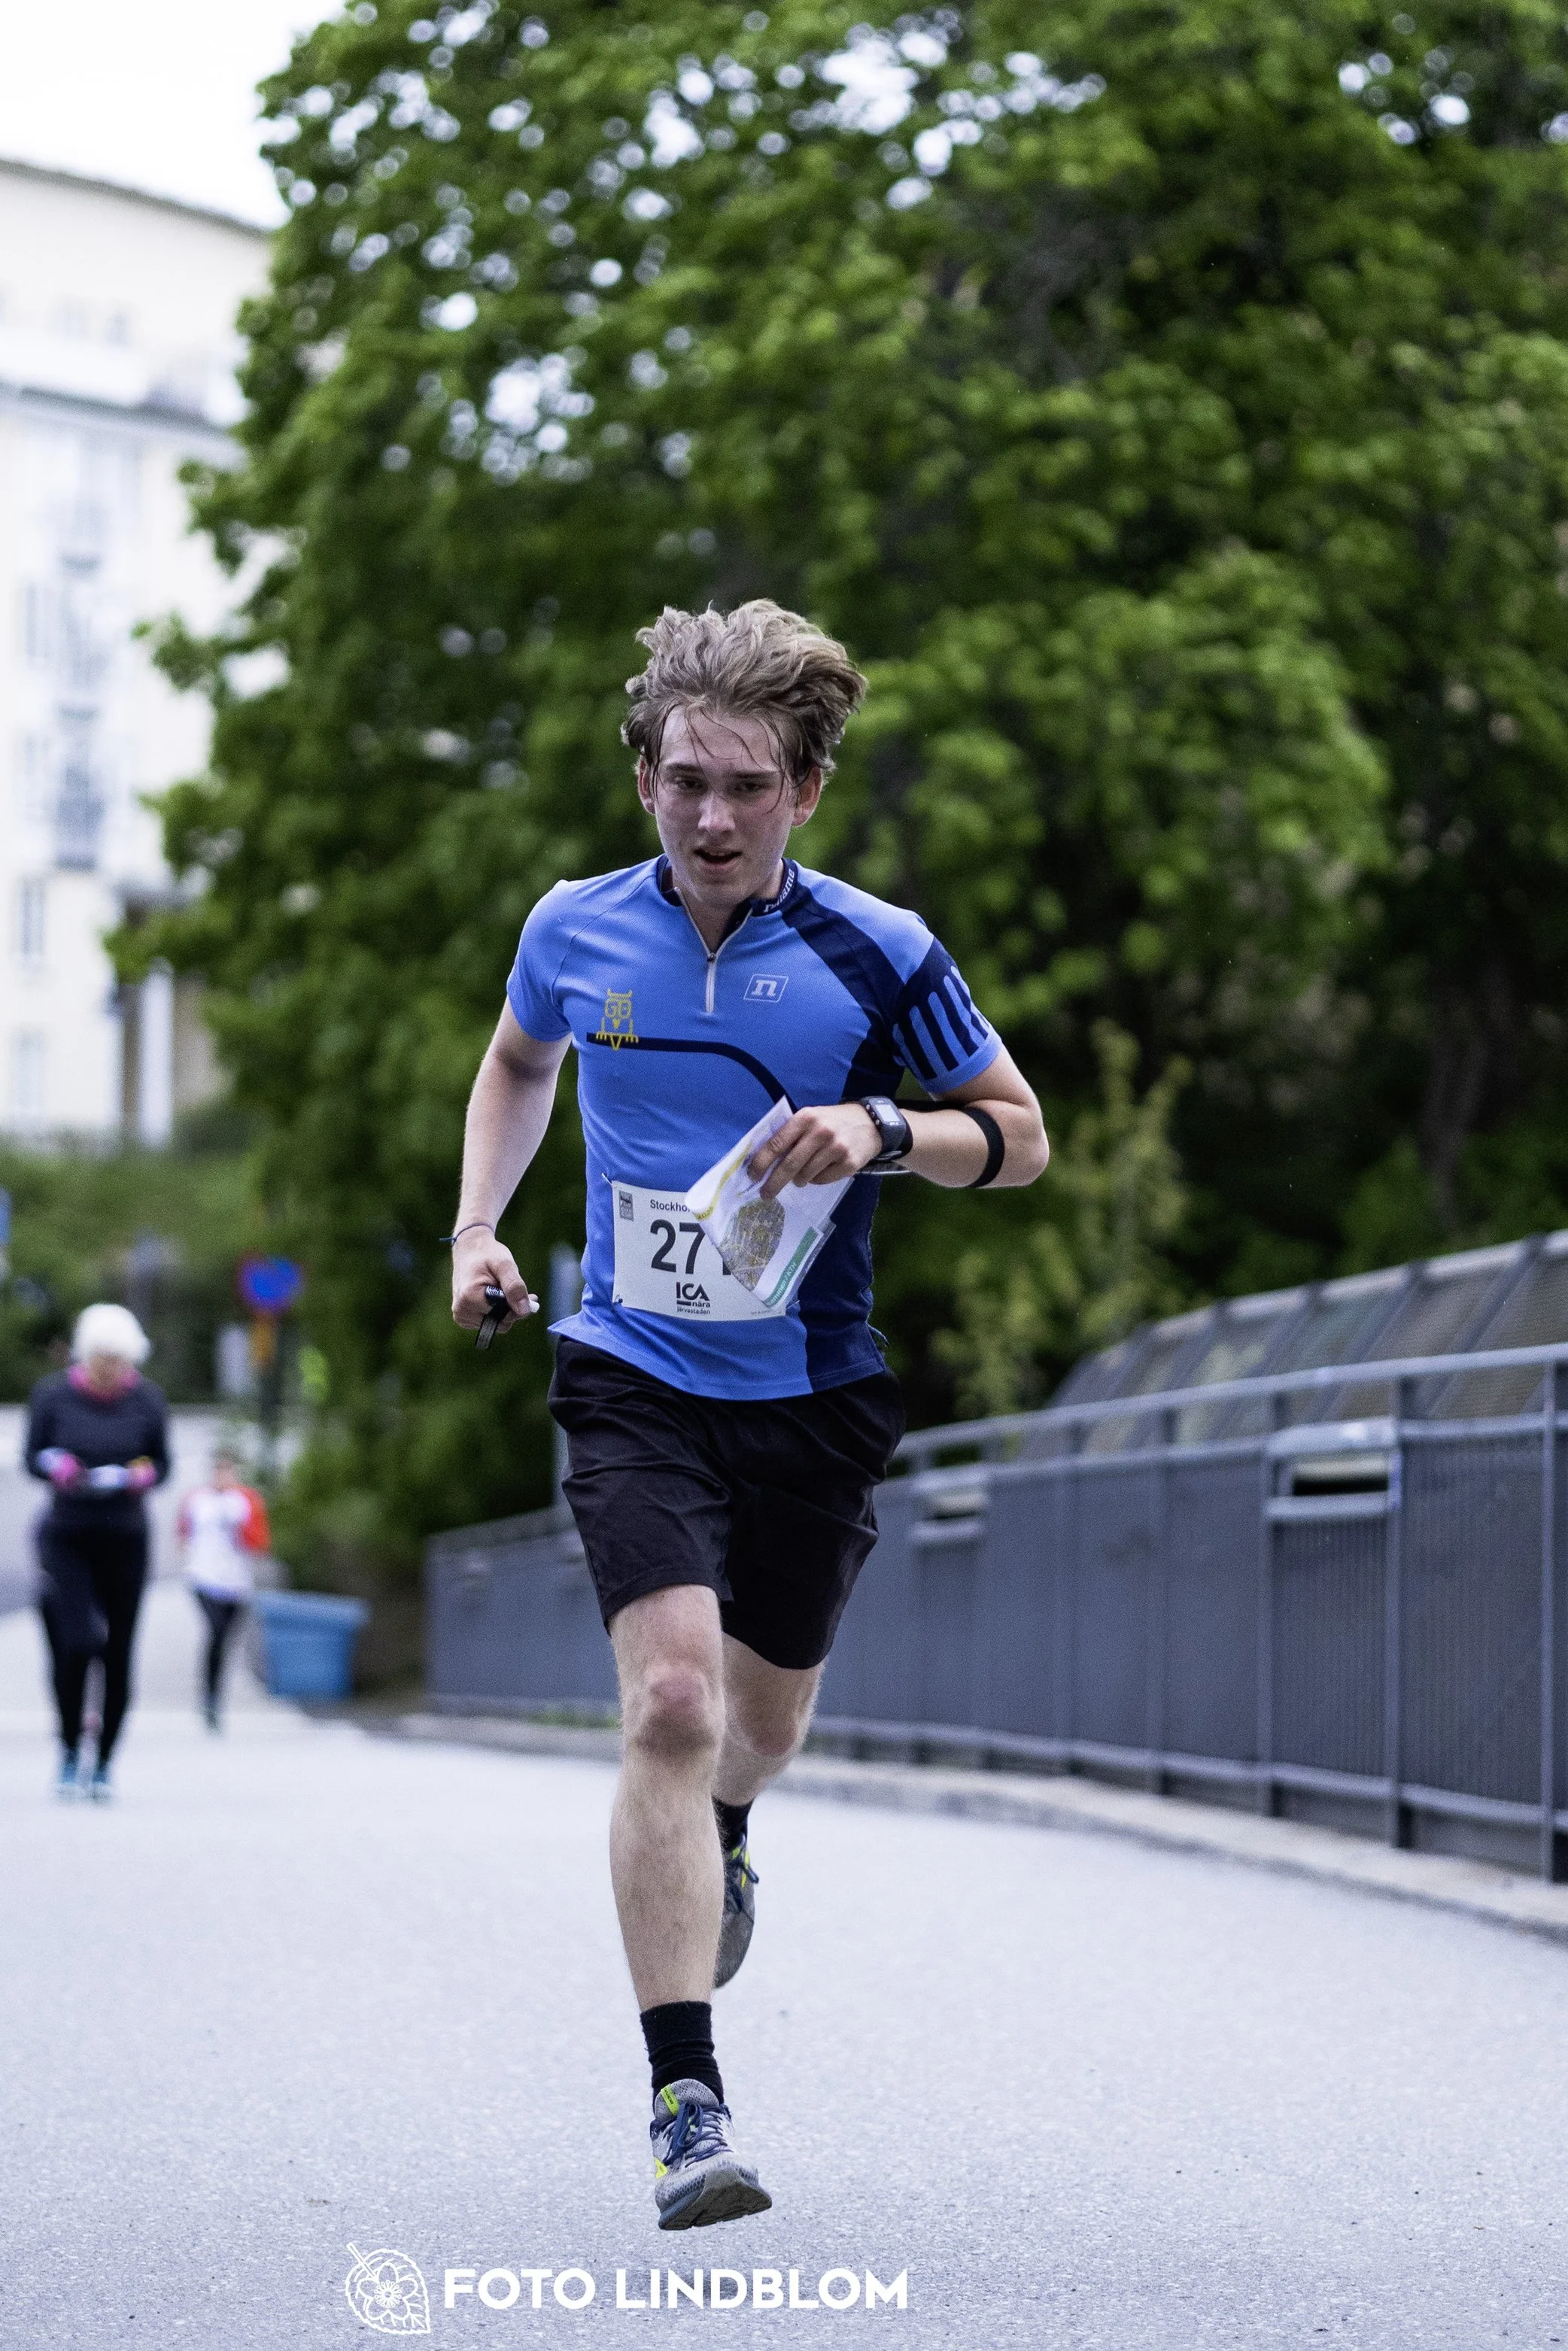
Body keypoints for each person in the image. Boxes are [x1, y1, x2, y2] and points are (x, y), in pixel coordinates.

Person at [448, 601, 1049, 2230]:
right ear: (643, 773)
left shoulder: (881, 951)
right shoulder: (573, 928)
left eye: (747, 786)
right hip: (630, 1369)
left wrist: (877, 1126)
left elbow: (1019, 1137)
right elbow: (516, 1064)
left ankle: (723, 1823)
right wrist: (478, 1229)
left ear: (802, 790)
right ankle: (684, 2101)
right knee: (663, 1697)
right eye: (683, 780)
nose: (711, 817)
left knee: (754, 1729)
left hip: (810, 1390)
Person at [24, 1302, 171, 1801]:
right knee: (78, 1640)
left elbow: (163, 1461)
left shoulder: (147, 1400)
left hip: (125, 1535)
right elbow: (31, 1456)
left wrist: (143, 1474)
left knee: (119, 1650)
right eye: (104, 1359)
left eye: (121, 1360)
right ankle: (68, 1746)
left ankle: (105, 1759)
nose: (112, 1370)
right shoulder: (54, 1396)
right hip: (69, 1532)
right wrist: (56, 1466)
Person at [176, 1445, 271, 1730]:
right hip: (204, 1577)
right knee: (215, 1631)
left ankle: (215, 1692)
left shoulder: (246, 1501)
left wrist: (240, 1530)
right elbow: (183, 1534)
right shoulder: (196, 1500)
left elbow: (260, 1542)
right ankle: (209, 1696)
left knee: (226, 1640)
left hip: (236, 1581)